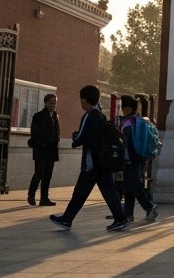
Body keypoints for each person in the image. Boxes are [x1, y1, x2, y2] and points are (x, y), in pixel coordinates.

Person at [49, 85, 129, 232]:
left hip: (92, 161)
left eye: (81, 100)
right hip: (102, 160)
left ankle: (67, 219)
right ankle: (120, 218)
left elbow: (82, 136)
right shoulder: (100, 114)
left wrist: (74, 140)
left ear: (85, 100)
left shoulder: (90, 115)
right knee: (108, 190)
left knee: (80, 192)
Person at [118, 95, 159, 224]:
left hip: (130, 157)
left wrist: (124, 156)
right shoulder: (138, 120)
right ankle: (128, 214)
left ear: (128, 108)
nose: (121, 110)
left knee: (134, 185)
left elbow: (126, 141)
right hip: (138, 155)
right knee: (129, 185)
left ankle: (149, 206)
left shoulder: (128, 123)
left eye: (122, 107)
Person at [27, 93, 60, 207]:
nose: (53, 105)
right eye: (51, 102)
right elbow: (35, 133)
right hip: (41, 150)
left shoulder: (55, 116)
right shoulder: (38, 116)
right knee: (39, 173)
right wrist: (42, 143)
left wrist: (56, 142)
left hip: (51, 150)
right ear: (46, 103)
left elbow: (56, 132)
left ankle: (44, 198)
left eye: (55, 102)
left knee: (48, 174)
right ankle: (31, 195)